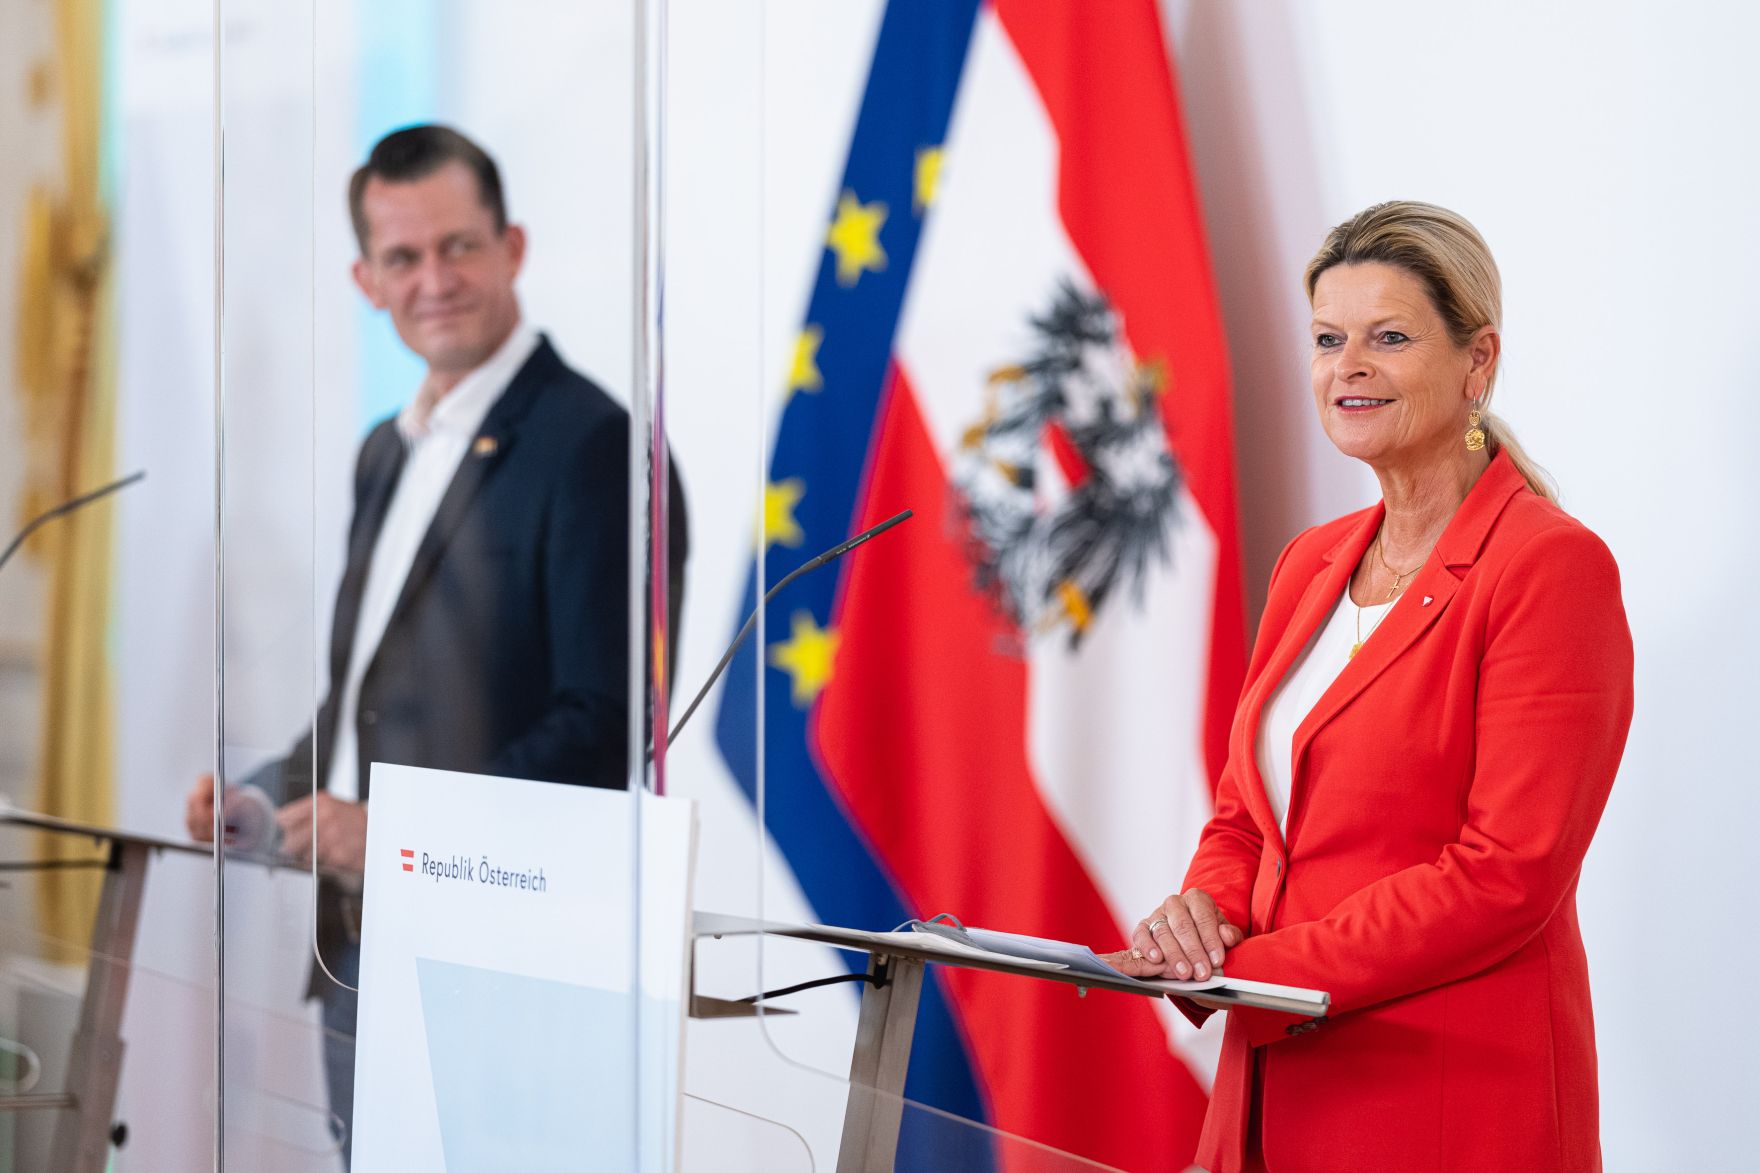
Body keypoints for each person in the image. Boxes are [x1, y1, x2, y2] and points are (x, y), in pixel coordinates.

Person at [183, 124, 688, 1164]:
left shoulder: (593, 446)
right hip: (363, 949)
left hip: (509, 970)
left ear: (513, 247)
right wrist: (263, 800)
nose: (435, 280)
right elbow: (365, 697)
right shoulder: (383, 451)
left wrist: (399, 832)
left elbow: (603, 726)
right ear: (366, 279)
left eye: (459, 246)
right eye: (404, 258)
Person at [1111, 201, 1633, 1172]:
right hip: (1266, 1091)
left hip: (1441, 1097)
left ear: (1476, 360)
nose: (1345, 366)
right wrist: (1201, 920)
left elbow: (1504, 873)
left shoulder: (1548, 569)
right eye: (1325, 338)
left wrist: (1251, 975)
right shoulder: (1310, 564)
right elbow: (1243, 819)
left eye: (1386, 338)